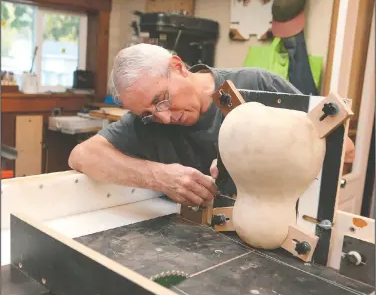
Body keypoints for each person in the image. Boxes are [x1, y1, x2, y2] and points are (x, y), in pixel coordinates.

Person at [68, 43, 355, 206]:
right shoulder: (148, 120)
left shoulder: (254, 85)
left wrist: (255, 158)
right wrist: (158, 176)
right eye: (150, 112)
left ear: (178, 67)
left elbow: (346, 150)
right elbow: (82, 155)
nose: (164, 117)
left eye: (163, 100)